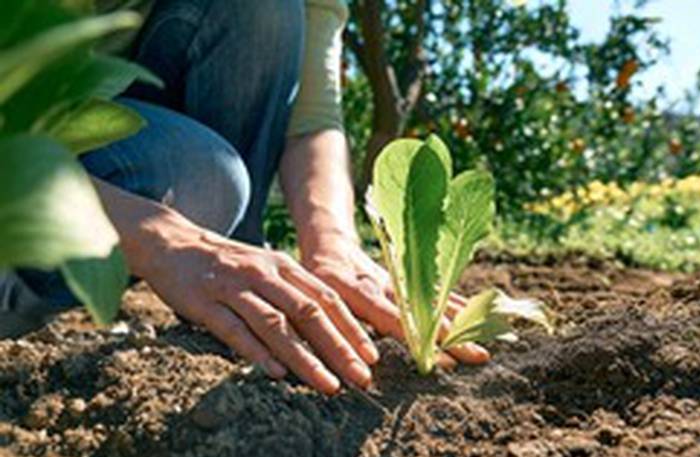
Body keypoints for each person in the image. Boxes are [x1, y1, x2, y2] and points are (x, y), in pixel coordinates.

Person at [0, 0, 489, 394]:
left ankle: (245, 306)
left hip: (80, 146)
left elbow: (313, 121)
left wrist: (334, 247)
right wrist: (157, 235)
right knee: (211, 178)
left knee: (261, 23)